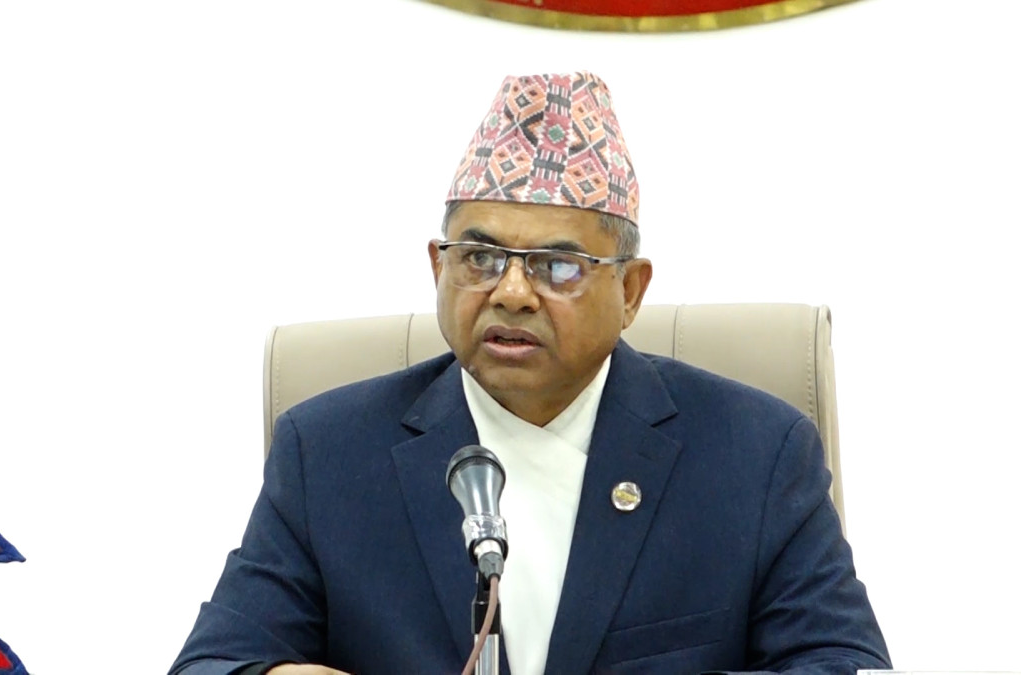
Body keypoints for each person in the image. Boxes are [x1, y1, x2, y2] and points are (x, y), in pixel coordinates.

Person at [170, 72, 891, 675]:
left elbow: (841, 661)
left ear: (631, 290)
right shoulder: (326, 453)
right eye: (480, 258)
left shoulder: (756, 455)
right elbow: (214, 662)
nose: (511, 292)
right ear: (438, 268)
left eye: (557, 266)